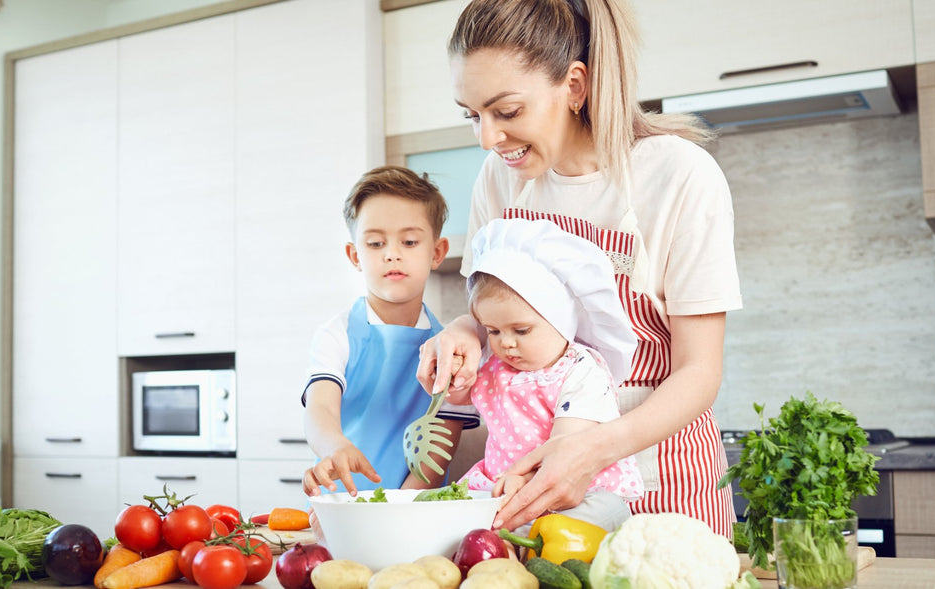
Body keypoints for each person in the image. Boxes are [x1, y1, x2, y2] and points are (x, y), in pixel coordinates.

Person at [416, 0, 742, 537]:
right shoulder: (498, 180)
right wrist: (462, 331)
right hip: (530, 482)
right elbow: (488, 310)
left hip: (662, 475)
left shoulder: (679, 175)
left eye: (507, 112)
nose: (488, 139)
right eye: (472, 115)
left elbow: (699, 372)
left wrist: (588, 450)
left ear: (574, 85)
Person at [301, 165, 479, 504]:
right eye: (375, 243)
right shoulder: (336, 334)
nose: (392, 253)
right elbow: (320, 408)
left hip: (412, 508)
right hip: (339, 507)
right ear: (355, 255)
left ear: (437, 252)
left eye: (409, 241)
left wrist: (397, 508)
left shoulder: (452, 351)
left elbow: (440, 450)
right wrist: (334, 445)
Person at [457, 218, 643, 531]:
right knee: (456, 518)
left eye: (521, 330)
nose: (506, 342)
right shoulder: (497, 369)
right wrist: (455, 376)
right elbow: (461, 397)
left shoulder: (582, 370)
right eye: (493, 330)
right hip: (505, 487)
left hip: (578, 490)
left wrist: (525, 483)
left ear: (562, 320)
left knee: (590, 516)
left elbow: (566, 443)